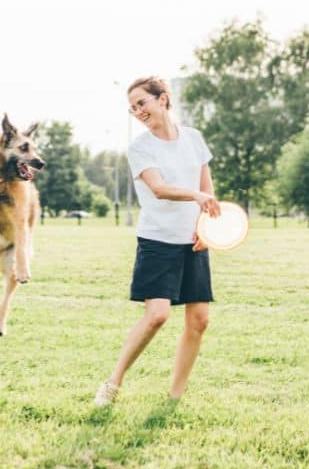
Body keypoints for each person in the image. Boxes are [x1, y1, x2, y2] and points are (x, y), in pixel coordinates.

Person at [94, 76, 220, 406]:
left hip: (193, 241)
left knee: (200, 320)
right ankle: (113, 382)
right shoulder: (140, 148)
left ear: (163, 99)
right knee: (157, 315)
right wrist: (195, 195)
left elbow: (208, 190)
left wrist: (205, 228)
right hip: (158, 240)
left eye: (142, 103)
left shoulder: (194, 139)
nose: (137, 112)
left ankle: (175, 396)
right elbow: (159, 188)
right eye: (132, 108)